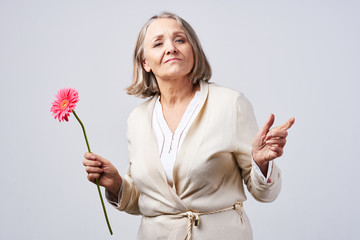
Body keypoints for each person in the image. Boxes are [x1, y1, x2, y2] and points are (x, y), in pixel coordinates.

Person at [83, 12, 295, 240]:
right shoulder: (137, 119)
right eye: (158, 43)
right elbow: (146, 202)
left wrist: (261, 163)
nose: (171, 48)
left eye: (180, 40)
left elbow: (265, 194)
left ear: (193, 50)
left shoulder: (230, 104)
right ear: (145, 62)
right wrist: (116, 185)